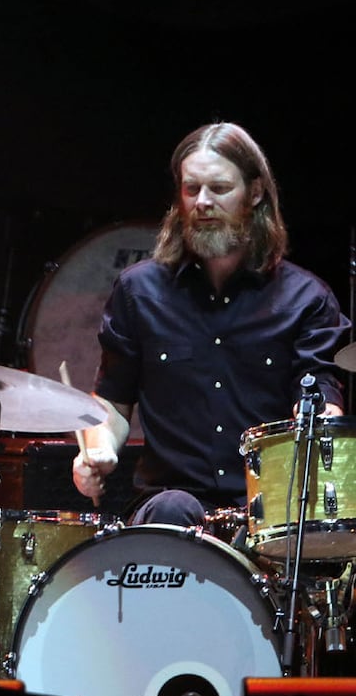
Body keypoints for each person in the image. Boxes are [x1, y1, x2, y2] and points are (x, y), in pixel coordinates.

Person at [72, 121, 348, 528]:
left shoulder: (306, 300)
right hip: (169, 506)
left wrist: (320, 417)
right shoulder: (139, 291)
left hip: (268, 515)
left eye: (219, 189)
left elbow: (323, 398)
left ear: (254, 193)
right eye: (191, 189)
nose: (202, 202)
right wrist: (96, 449)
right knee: (173, 509)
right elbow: (113, 401)